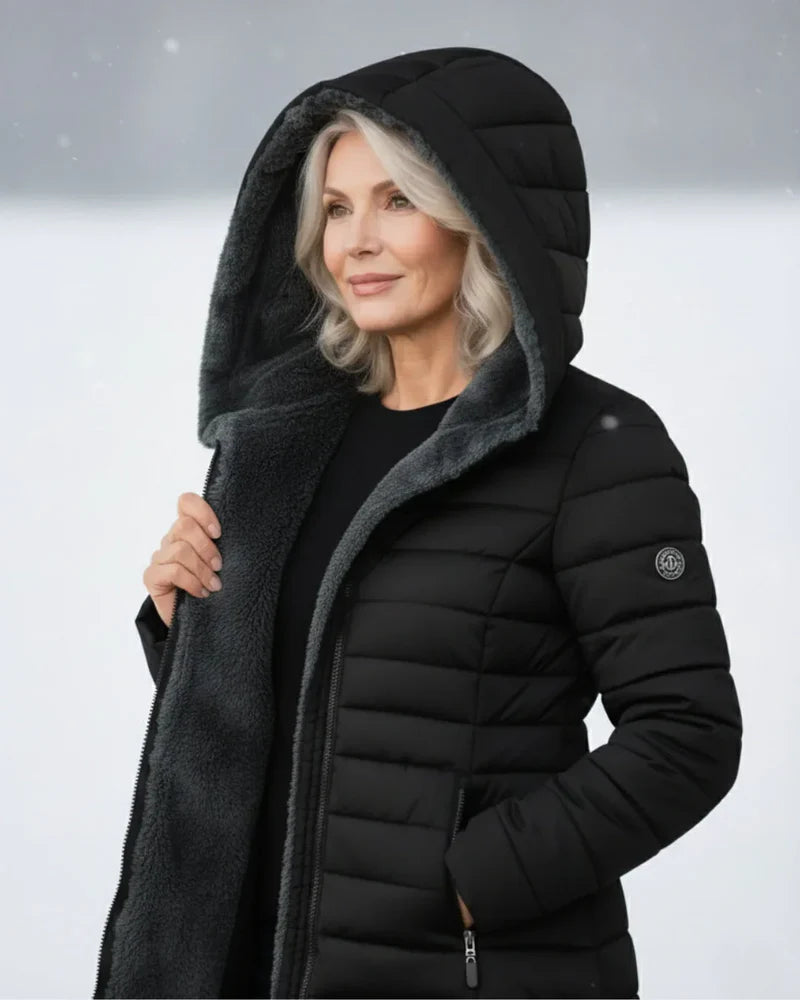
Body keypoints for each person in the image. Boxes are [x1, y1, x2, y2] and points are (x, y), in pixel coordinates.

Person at [93, 46, 743, 1000]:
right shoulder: (284, 445)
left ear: (482, 218)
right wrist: (187, 628)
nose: (355, 241)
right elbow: (333, 709)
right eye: (336, 208)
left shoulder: (593, 449)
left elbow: (688, 735)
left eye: (397, 201)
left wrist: (473, 884)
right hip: (254, 965)